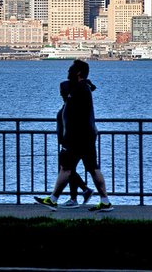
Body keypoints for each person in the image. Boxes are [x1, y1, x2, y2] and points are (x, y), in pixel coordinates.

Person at [35, 59, 113, 212]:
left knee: (66, 169)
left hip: (76, 137)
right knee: (91, 168)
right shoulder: (83, 88)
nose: (68, 72)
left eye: (71, 70)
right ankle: (105, 201)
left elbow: (71, 109)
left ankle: (53, 199)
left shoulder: (79, 89)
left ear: (78, 73)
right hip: (86, 136)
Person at [56, 83, 94, 208]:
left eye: (62, 91)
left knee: (67, 169)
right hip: (68, 142)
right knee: (69, 169)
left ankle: (81, 192)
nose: (60, 93)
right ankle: (76, 196)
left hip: (71, 143)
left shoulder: (71, 105)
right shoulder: (68, 105)